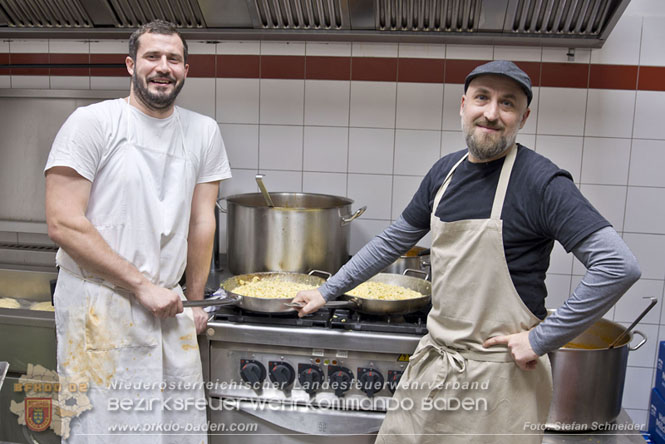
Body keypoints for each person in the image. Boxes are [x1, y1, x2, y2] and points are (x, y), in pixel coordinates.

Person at [293, 60, 641, 443]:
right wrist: (327, 290)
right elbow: (392, 241)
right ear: (463, 105)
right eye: (482, 98)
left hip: (500, 381)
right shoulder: (445, 173)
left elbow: (618, 266)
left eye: (507, 104)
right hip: (433, 367)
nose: (491, 113)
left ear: (523, 117)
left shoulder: (542, 182)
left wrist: (541, 340)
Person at [44, 20, 230, 443]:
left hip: (169, 306)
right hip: (101, 306)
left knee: (175, 432)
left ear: (186, 69)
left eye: (174, 59)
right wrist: (140, 285)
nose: (163, 67)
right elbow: (63, 222)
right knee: (107, 434)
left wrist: (196, 298)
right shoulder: (92, 123)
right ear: (131, 65)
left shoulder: (203, 131)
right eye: (152, 57)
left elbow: (202, 221)